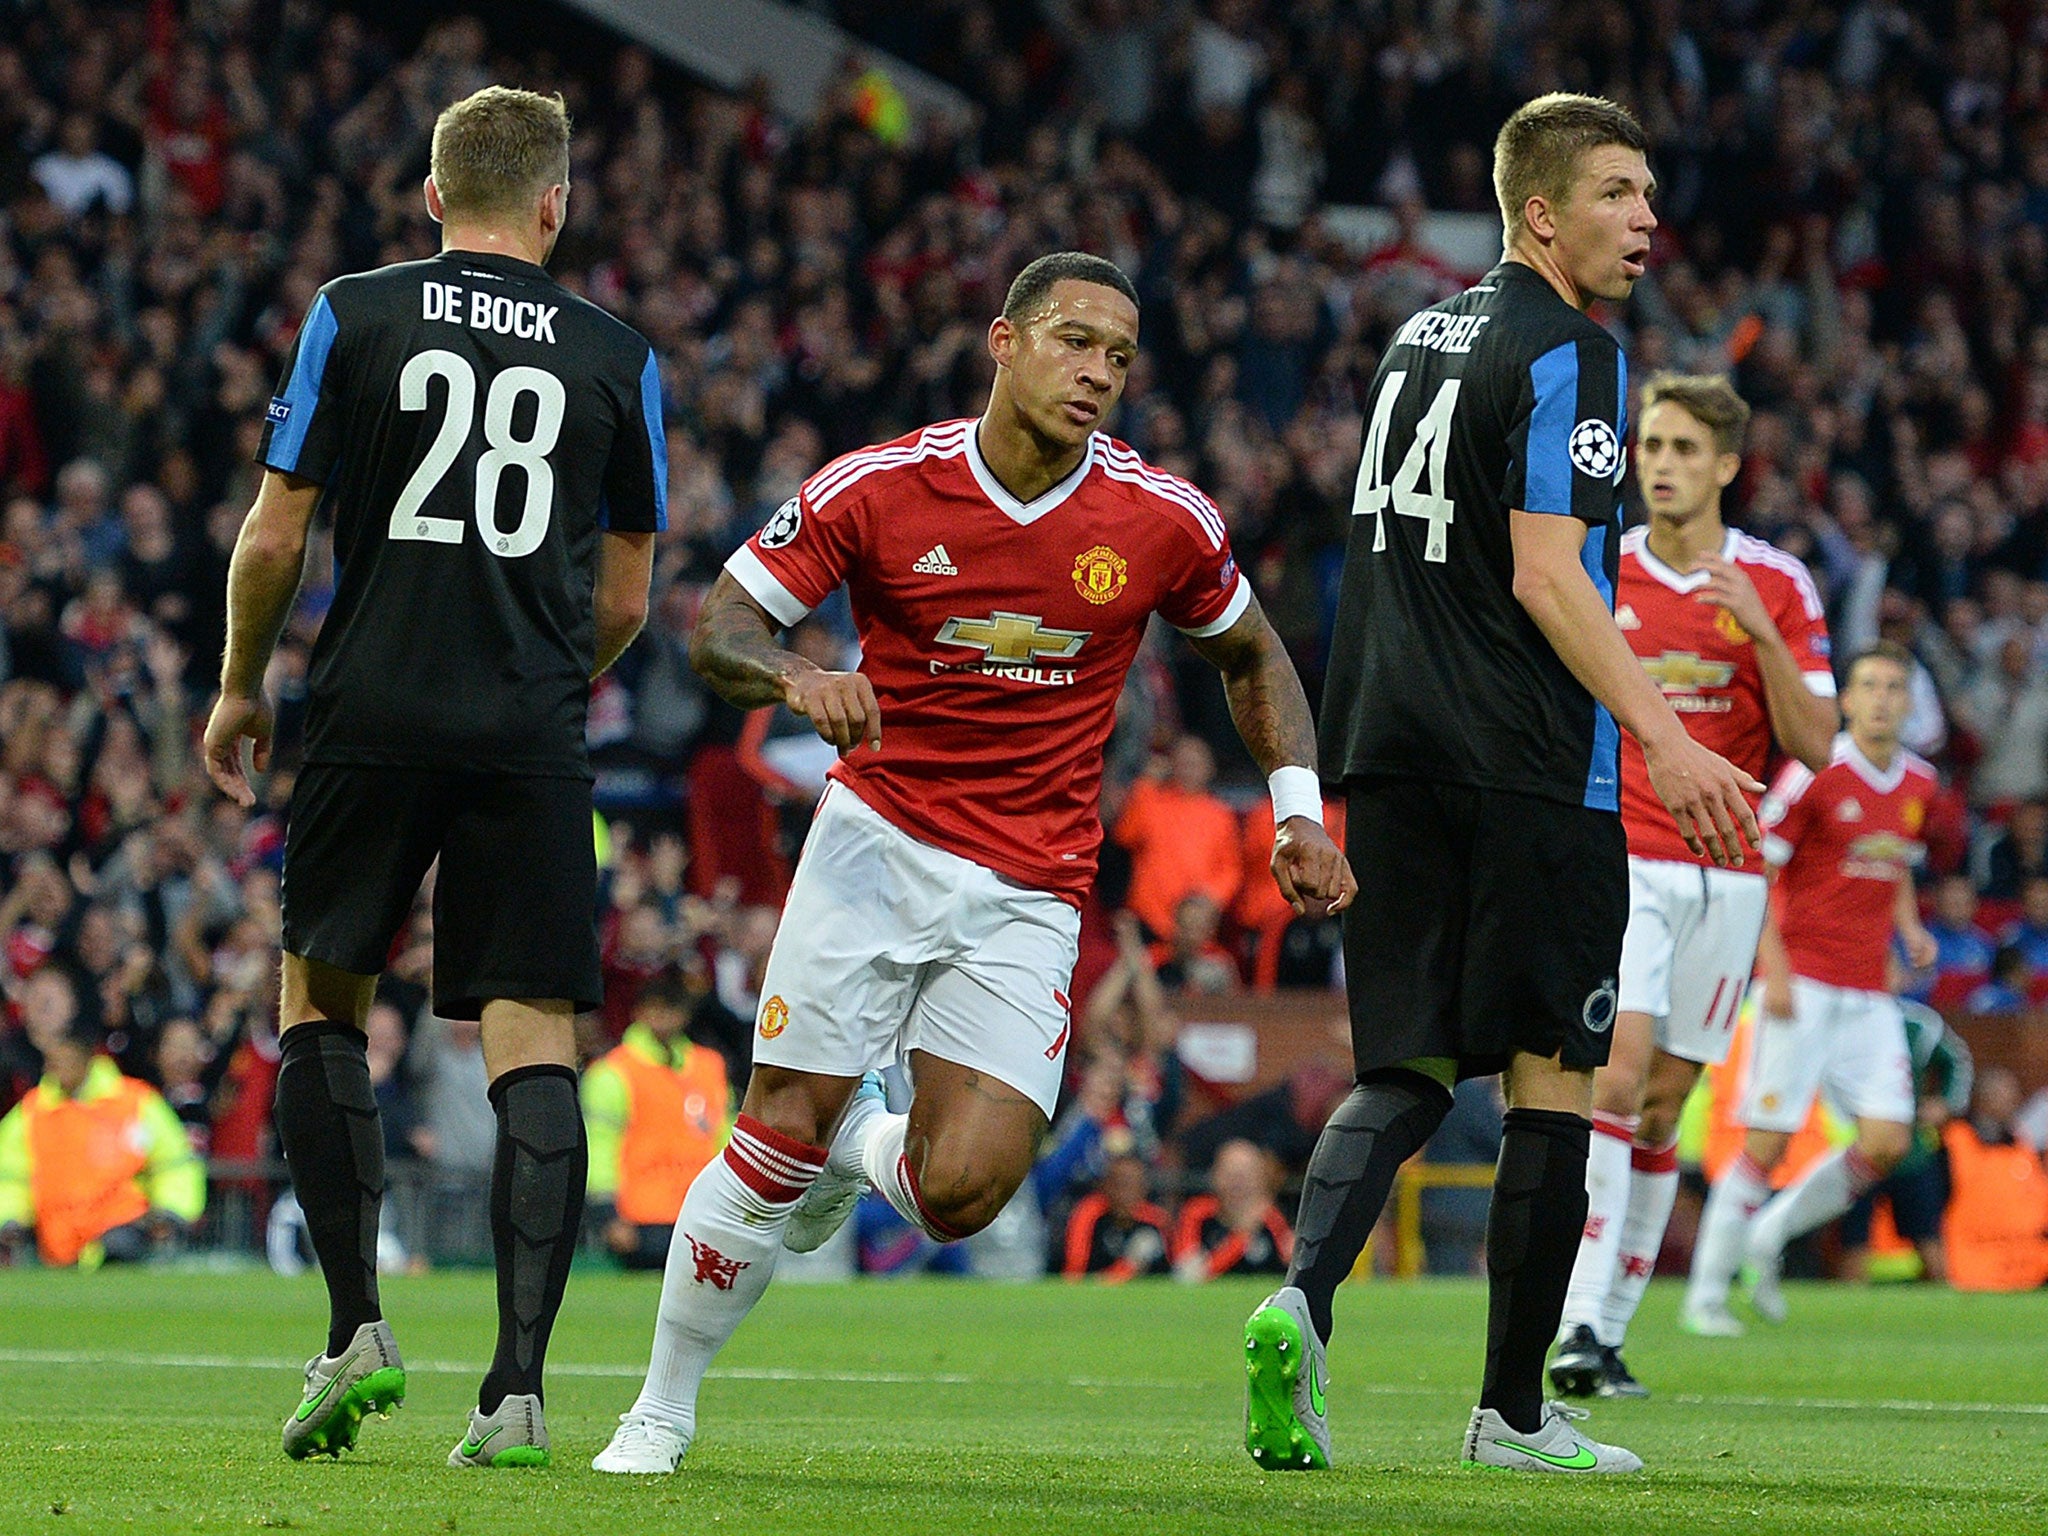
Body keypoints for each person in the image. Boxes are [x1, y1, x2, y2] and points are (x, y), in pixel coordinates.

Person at [590, 248, 1355, 1475]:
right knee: (774, 1126)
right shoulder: (883, 488)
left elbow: (1253, 656)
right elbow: (718, 624)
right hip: (873, 849)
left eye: (1117, 352)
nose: (1097, 371)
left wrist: (1297, 810)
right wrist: (797, 676)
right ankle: (660, 1409)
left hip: (1031, 887)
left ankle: (861, 1145)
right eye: (1072, 340)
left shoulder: (1159, 519)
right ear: (1003, 343)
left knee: (963, 1191)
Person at [1246, 92, 1760, 1478]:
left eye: (1649, 193)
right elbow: (1546, 573)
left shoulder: (1418, 334)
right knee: (1554, 1076)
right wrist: (1663, 735)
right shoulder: (1576, 355)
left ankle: (1300, 1299)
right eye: (1615, 193)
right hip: (1530, 764)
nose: (1646, 218)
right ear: (1540, 212)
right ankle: (1514, 1418)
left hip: (1390, 743)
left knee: (1403, 1066)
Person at [201, 86, 666, 1466]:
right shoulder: (618, 354)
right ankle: (516, 1391)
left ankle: (355, 1332)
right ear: (555, 204)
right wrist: (532, 674)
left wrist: (240, 682)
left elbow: (277, 536)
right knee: (533, 1033)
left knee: (321, 993)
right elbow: (630, 591)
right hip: (528, 731)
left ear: (430, 194)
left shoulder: (356, 308)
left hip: (370, 707)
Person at [1549, 373, 1836, 1400]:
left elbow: (1818, 743)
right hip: (1621, 859)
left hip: (1726, 875)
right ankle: (1575, 1319)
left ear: (1723, 466)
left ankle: (1609, 1328)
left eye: (1680, 449)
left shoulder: (1779, 583)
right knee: (1615, 1079)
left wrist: (1757, 632)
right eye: (1649, 445)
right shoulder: (1597, 567)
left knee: (1664, 1109)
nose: (1658, 465)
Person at [1681, 643, 1939, 1334]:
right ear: (1847, 700)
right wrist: (1775, 969)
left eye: (1895, 686)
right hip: (1802, 985)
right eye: (1870, 685)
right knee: (1764, 1140)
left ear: (1909, 702)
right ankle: (1705, 1296)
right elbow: (1755, 873)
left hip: (1869, 993)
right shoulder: (1814, 775)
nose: (1883, 697)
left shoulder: (1919, 784)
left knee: (1888, 1140)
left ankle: (1770, 1232)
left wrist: (1909, 929)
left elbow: (1896, 863)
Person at [0, 1022, 204, 1267]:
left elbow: (172, 1162)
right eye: (54, 1063)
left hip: (122, 1230)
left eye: (67, 1062)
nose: (59, 1070)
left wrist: (172, 1210)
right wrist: (10, 1218)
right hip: (55, 1240)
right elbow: (10, 1174)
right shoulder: (32, 1112)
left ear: (87, 1060)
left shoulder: (134, 1102)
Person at [582, 973, 732, 1270]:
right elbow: (599, 1148)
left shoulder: (709, 1065)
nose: (662, 1017)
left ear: (685, 1015)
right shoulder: (613, 1072)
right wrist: (606, 1214)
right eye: (655, 1008)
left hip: (701, 1211)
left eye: (671, 1009)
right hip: (639, 1216)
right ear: (639, 1012)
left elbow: (724, 1138)